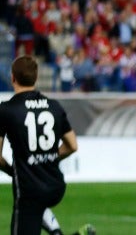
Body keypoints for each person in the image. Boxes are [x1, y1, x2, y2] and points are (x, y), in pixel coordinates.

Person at [0, 55, 96, 235]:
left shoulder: (7, 110)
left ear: (13, 77)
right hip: (55, 185)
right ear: (36, 78)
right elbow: (72, 145)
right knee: (37, 206)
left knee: (29, 210)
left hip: (29, 188)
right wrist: (49, 158)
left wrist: (12, 170)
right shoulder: (54, 106)